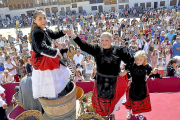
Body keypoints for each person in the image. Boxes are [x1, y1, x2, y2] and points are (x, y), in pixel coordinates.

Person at [67, 31, 134, 119]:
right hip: (101, 82)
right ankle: (105, 117)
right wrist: (73, 35)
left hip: (114, 82)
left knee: (112, 102)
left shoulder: (118, 50)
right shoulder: (97, 50)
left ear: (111, 40)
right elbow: (84, 46)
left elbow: (131, 60)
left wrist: (125, 71)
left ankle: (111, 114)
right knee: (102, 103)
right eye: (102, 40)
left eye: (106, 40)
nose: (104, 42)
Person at [29, 10, 71, 99]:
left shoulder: (44, 29)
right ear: (34, 20)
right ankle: (53, 103)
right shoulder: (37, 32)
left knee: (57, 79)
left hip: (48, 58)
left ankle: (55, 98)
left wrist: (63, 32)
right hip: (44, 62)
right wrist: (56, 52)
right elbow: (41, 47)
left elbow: (54, 34)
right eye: (40, 19)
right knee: (50, 84)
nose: (43, 20)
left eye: (44, 18)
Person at [125, 50, 152, 120]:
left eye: (140, 60)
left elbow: (150, 69)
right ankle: (129, 111)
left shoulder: (146, 66)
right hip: (133, 85)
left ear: (144, 60)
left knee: (141, 101)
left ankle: (140, 112)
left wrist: (147, 75)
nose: (138, 61)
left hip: (142, 86)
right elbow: (127, 70)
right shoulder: (132, 65)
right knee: (131, 100)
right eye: (137, 59)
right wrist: (130, 77)